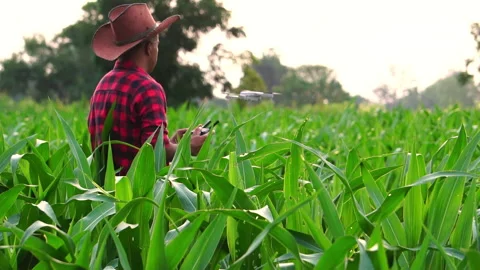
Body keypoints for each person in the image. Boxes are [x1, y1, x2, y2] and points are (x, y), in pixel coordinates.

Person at [88, 3, 207, 175]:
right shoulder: (148, 88)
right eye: (157, 45)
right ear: (149, 48)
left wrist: (172, 142)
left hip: (102, 194)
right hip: (137, 197)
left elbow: (149, 145)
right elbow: (156, 153)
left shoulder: (102, 86)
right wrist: (188, 147)